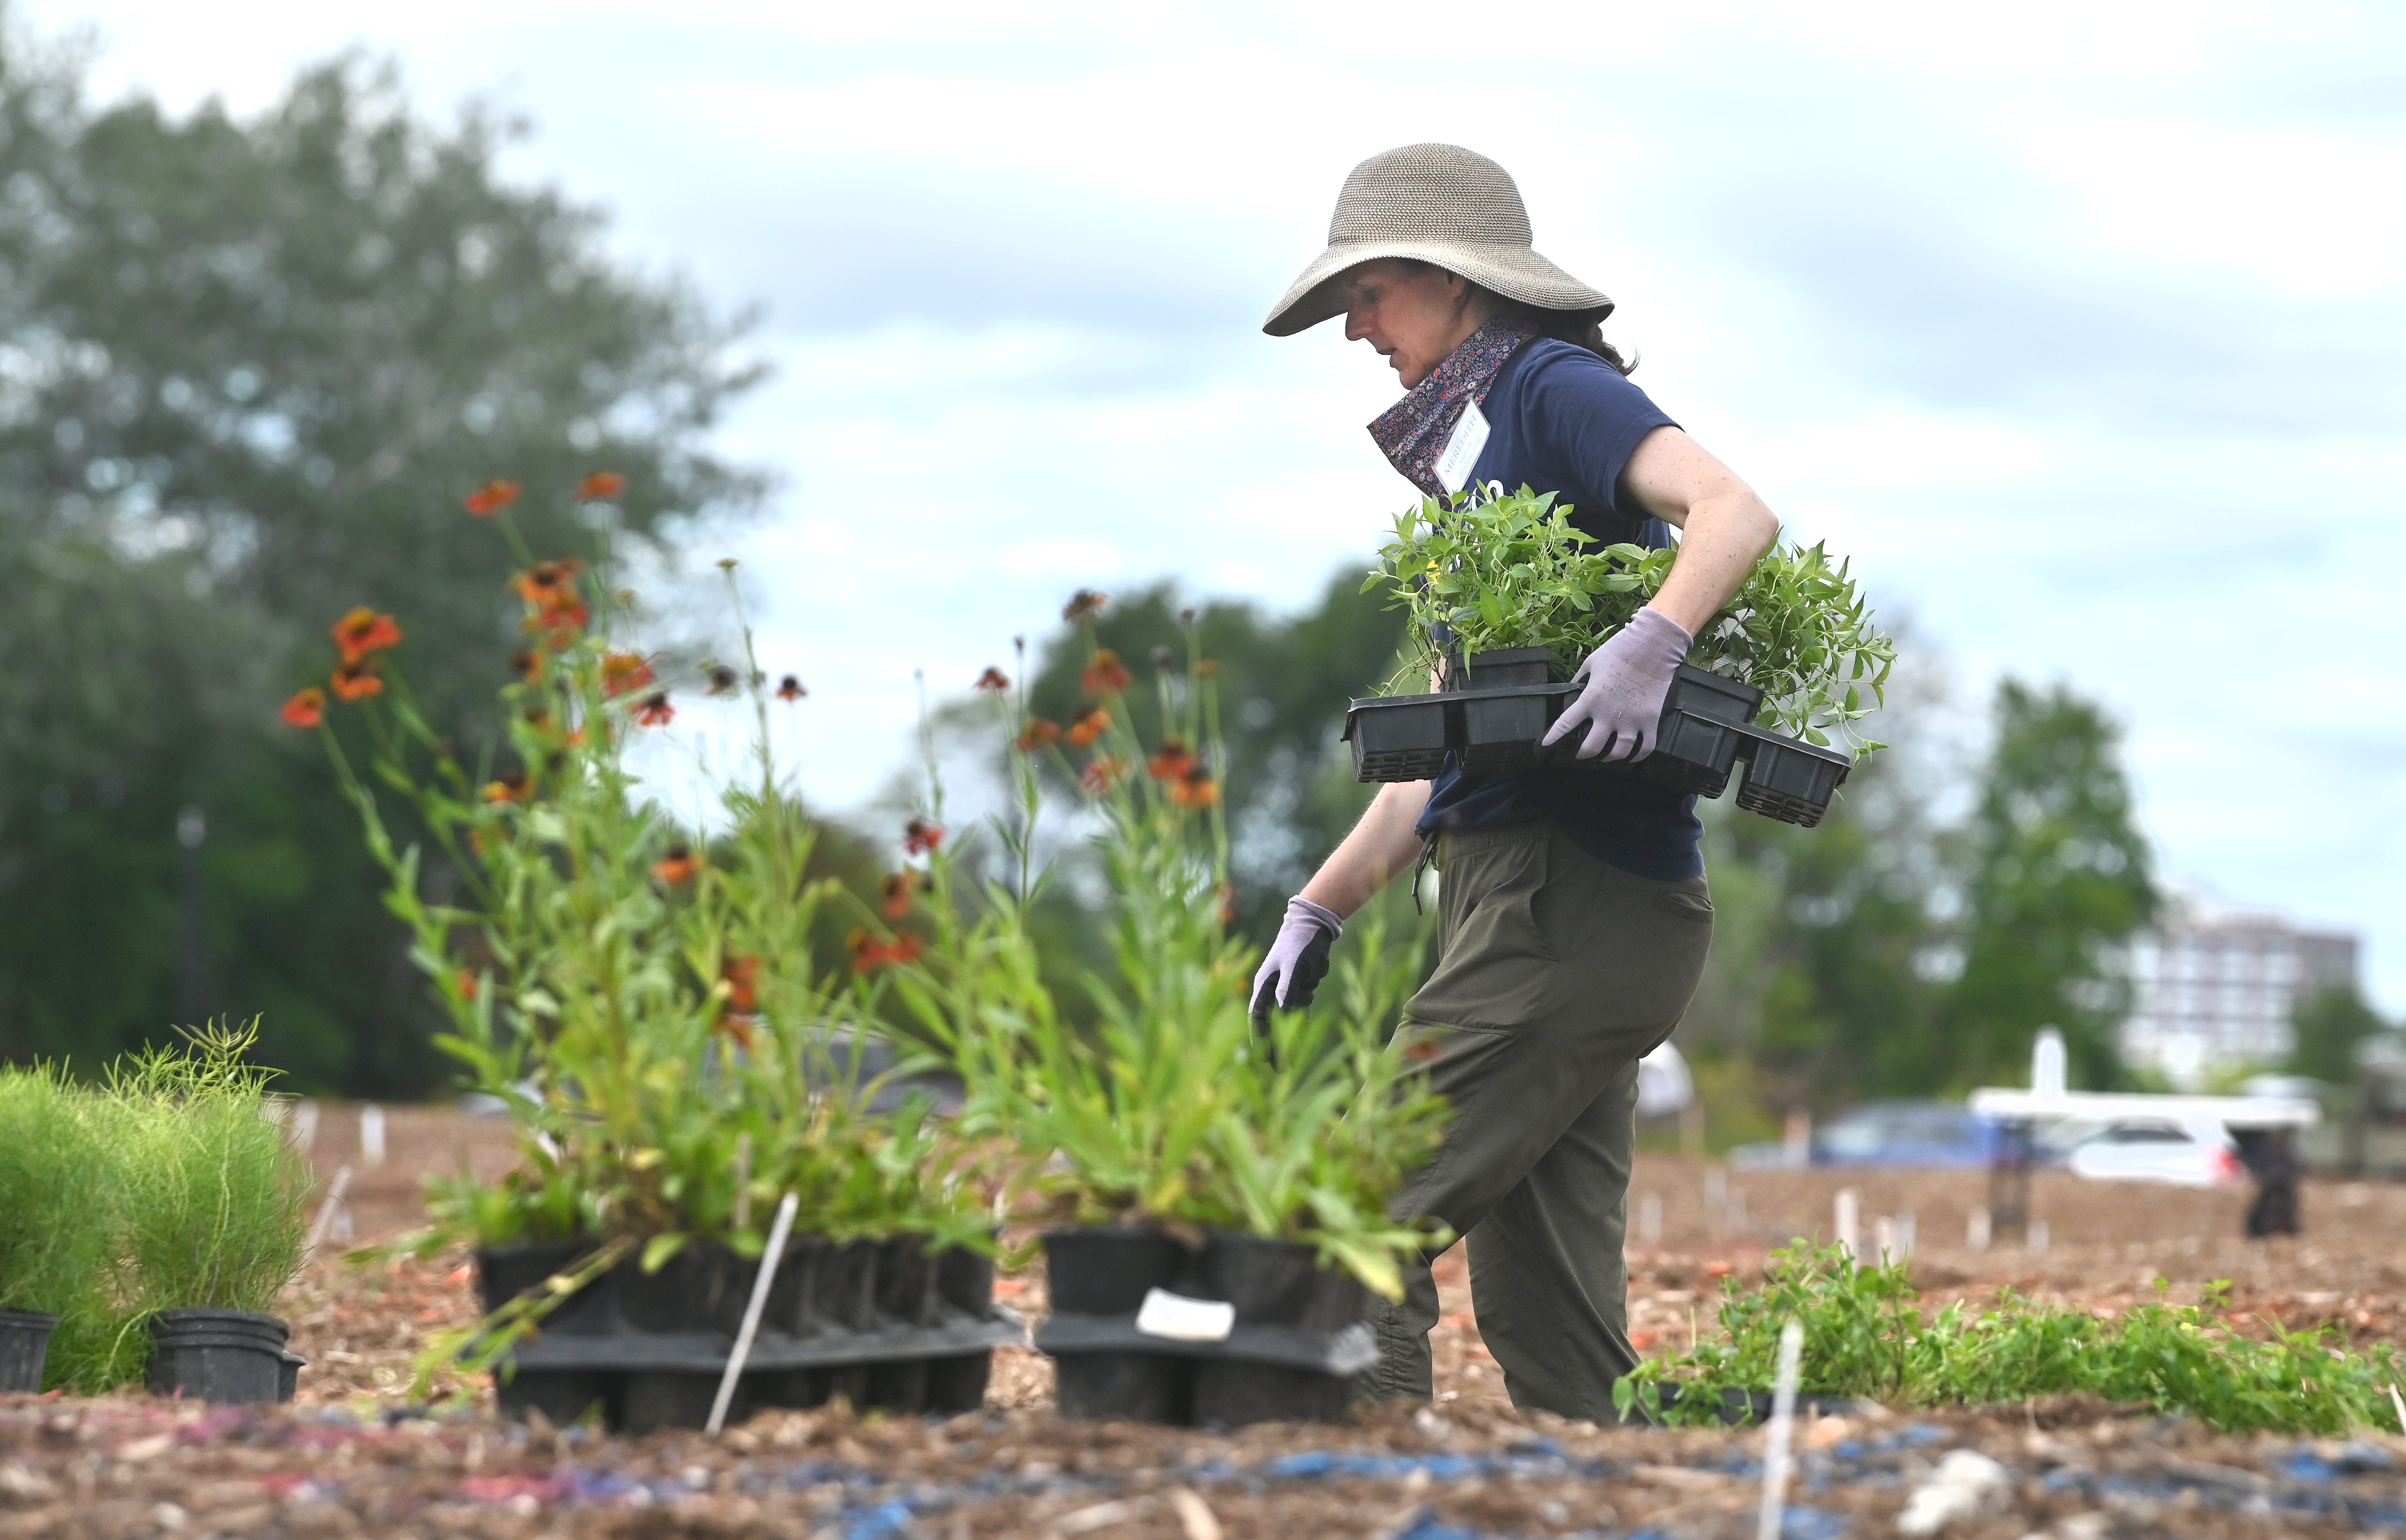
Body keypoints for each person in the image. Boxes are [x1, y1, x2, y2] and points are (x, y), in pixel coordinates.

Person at [1250, 143, 1780, 1422]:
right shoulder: (1480, 466)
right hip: (1520, 900)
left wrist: (1655, 640)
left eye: (1368, 293)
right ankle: (1603, 1489)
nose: (1356, 329)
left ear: (1450, 280)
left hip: (1571, 900)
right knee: (1546, 1311)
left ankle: (1349, 1483)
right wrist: (1316, 906)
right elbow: (1439, 751)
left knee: (1353, 1213)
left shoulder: (1549, 391)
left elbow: (1731, 511)